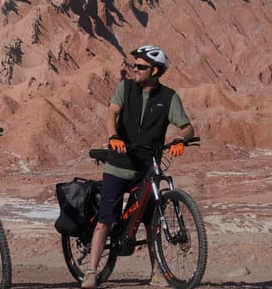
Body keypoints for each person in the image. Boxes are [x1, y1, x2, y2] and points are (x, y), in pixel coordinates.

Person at [81, 45, 195, 289]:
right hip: (118, 165)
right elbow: (112, 113)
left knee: (153, 221)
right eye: (133, 65)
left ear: (155, 70)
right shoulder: (125, 88)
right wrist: (114, 136)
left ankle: (157, 272)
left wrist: (179, 140)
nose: (134, 69)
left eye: (140, 67)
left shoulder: (169, 98)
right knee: (105, 220)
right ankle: (91, 271)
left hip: (147, 170)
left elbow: (187, 128)